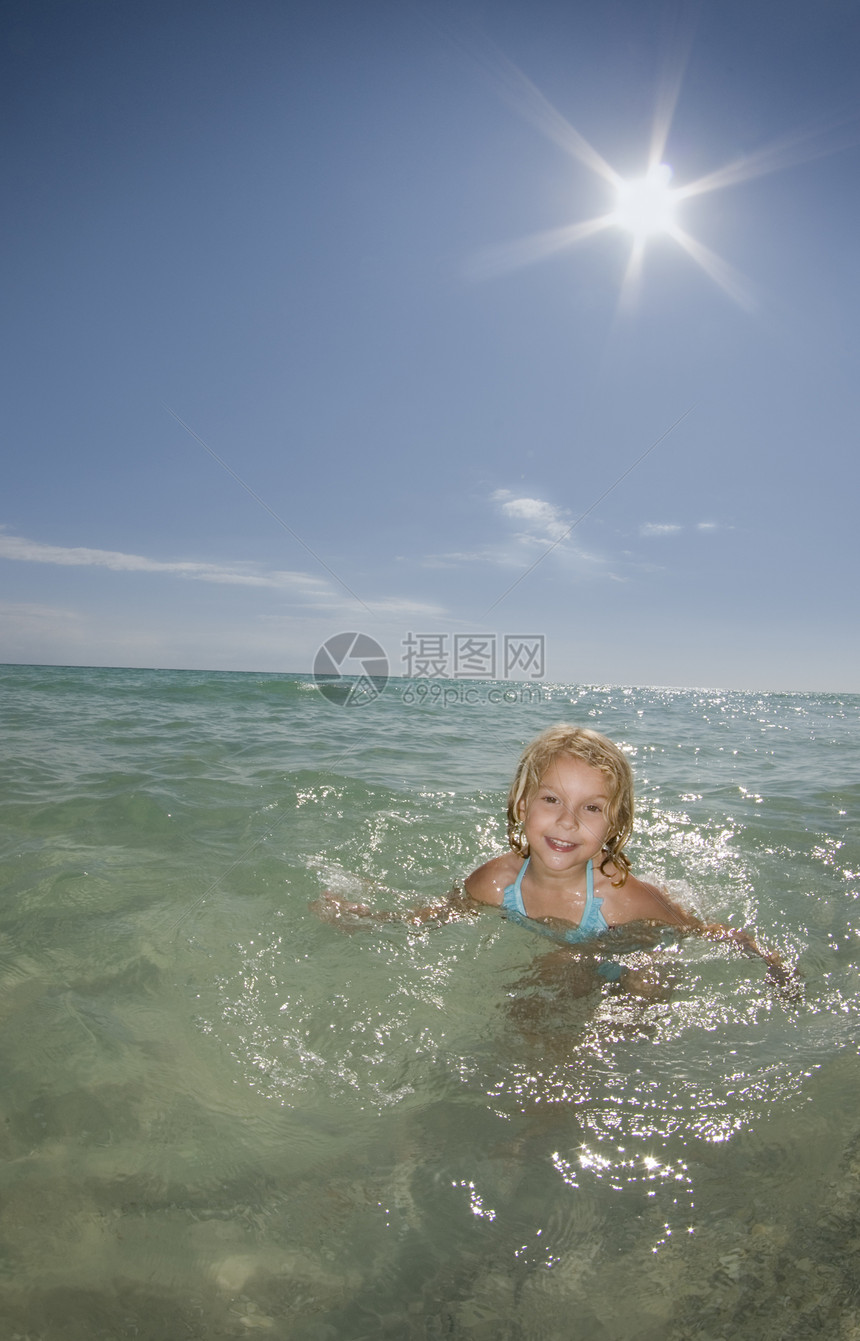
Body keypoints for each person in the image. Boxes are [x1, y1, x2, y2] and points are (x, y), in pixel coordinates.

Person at [313, 724, 794, 995]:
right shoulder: (497, 880)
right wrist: (374, 919)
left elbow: (698, 929)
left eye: (591, 808)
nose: (568, 822)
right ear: (523, 807)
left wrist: (769, 960)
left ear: (613, 825)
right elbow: (441, 913)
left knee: (635, 987)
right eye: (551, 801)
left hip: (630, 959)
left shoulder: (621, 898)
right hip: (570, 957)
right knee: (536, 991)